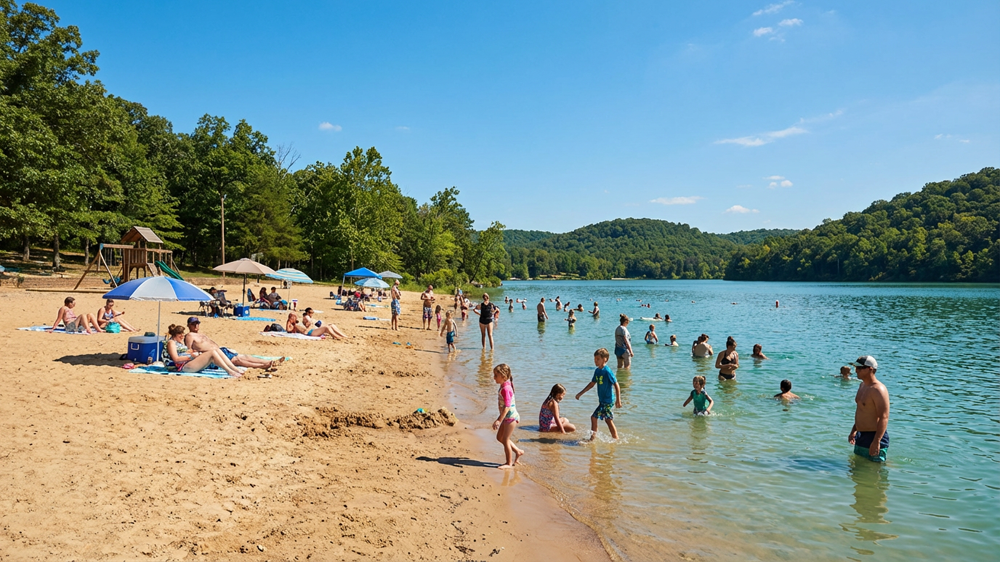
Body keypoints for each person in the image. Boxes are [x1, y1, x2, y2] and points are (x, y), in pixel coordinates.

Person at [184, 317, 281, 371]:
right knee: (238, 360)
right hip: (213, 356)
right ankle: (265, 365)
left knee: (244, 356)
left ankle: (269, 362)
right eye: (193, 324)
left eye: (197, 323)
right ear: (188, 325)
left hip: (221, 351)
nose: (196, 325)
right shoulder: (189, 336)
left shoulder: (201, 334)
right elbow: (189, 351)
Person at [848, 356, 890, 462]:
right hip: (860, 435)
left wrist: (877, 441)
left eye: (859, 368)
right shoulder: (862, 385)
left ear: (869, 369)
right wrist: (854, 431)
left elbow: (883, 417)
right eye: (855, 368)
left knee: (875, 471)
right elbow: (861, 411)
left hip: (874, 436)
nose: (856, 370)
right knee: (858, 470)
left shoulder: (878, 389)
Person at [575, 348, 622, 440]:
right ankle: (616, 438)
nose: (595, 361)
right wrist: (581, 393)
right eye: (594, 359)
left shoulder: (607, 371)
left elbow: (616, 384)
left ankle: (592, 438)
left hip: (608, 401)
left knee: (593, 417)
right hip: (602, 401)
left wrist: (618, 400)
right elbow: (592, 383)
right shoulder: (597, 371)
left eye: (598, 359)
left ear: (605, 359)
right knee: (608, 420)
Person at [163, 324, 243, 377]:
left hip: (188, 363)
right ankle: (229, 371)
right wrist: (191, 357)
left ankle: (234, 368)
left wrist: (193, 353)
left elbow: (184, 352)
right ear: (175, 335)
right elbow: (176, 359)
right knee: (211, 352)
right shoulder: (171, 343)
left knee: (216, 350)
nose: (183, 336)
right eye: (180, 334)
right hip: (182, 367)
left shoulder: (178, 342)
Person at [491, 363, 525, 469]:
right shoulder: (504, 385)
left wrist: (498, 420)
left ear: (504, 377)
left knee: (505, 439)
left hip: (511, 418)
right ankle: (518, 451)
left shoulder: (506, 389)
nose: (494, 378)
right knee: (499, 437)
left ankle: (509, 463)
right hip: (506, 417)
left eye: (496, 375)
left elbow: (507, 407)